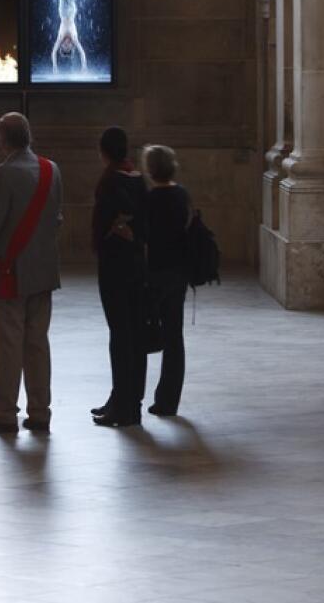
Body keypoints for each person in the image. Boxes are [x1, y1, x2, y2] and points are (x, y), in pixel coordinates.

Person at [0, 111, 63, 435]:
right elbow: (57, 219)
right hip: (44, 271)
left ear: (3, 139)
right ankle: (40, 411)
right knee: (38, 344)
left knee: (7, 346)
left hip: (10, 272)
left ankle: (5, 412)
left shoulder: (3, 174)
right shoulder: (51, 170)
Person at [90, 125, 148, 427]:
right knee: (132, 334)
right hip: (135, 264)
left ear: (103, 151)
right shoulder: (137, 178)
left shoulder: (112, 181)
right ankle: (127, 398)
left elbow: (105, 222)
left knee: (121, 336)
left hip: (115, 265)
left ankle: (124, 405)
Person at [142, 143, 191, 418]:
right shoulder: (181, 194)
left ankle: (134, 393)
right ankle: (168, 400)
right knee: (174, 336)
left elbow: (146, 238)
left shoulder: (150, 200)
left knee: (145, 331)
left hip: (155, 271)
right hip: (178, 271)